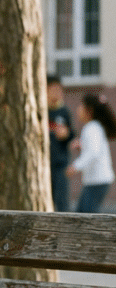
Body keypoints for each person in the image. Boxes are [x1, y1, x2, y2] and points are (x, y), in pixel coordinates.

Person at [67, 93, 116, 213]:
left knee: (86, 216)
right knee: (82, 213)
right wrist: (82, 146)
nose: (79, 109)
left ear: (89, 111)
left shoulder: (91, 128)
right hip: (97, 180)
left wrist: (75, 166)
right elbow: (93, 149)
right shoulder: (94, 127)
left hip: (97, 180)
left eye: (82, 106)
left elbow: (94, 152)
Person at [47, 74, 76, 212]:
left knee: (62, 201)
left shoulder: (64, 112)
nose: (57, 93)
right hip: (45, 164)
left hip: (60, 164)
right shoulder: (40, 110)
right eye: (53, 89)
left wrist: (66, 135)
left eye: (59, 90)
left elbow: (71, 134)